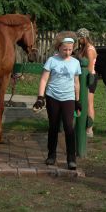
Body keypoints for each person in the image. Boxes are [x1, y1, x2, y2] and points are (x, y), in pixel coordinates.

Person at [34, 32, 82, 170]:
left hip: (68, 98)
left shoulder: (75, 63)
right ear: (59, 47)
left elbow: (76, 82)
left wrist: (77, 100)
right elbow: (44, 79)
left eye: (70, 50)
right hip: (52, 96)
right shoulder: (52, 60)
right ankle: (51, 155)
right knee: (53, 126)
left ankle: (71, 159)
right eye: (65, 49)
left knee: (69, 127)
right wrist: (40, 97)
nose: (67, 52)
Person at [75, 28, 98, 137]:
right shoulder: (82, 48)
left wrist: (84, 80)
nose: (78, 40)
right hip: (81, 78)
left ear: (84, 38)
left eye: (79, 38)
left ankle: (89, 128)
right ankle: (79, 124)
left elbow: (89, 68)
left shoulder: (89, 49)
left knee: (89, 103)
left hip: (89, 78)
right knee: (80, 101)